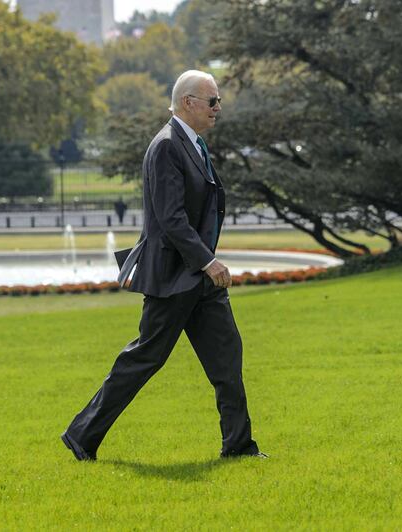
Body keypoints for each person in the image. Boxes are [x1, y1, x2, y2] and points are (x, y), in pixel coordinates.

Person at [61, 70, 264, 461]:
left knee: (227, 357)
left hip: (200, 281)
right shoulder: (167, 146)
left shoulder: (194, 144)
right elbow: (171, 220)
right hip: (175, 278)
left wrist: (205, 265)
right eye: (213, 101)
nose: (218, 108)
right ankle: (81, 434)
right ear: (188, 102)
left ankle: (239, 446)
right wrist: (208, 260)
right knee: (143, 359)